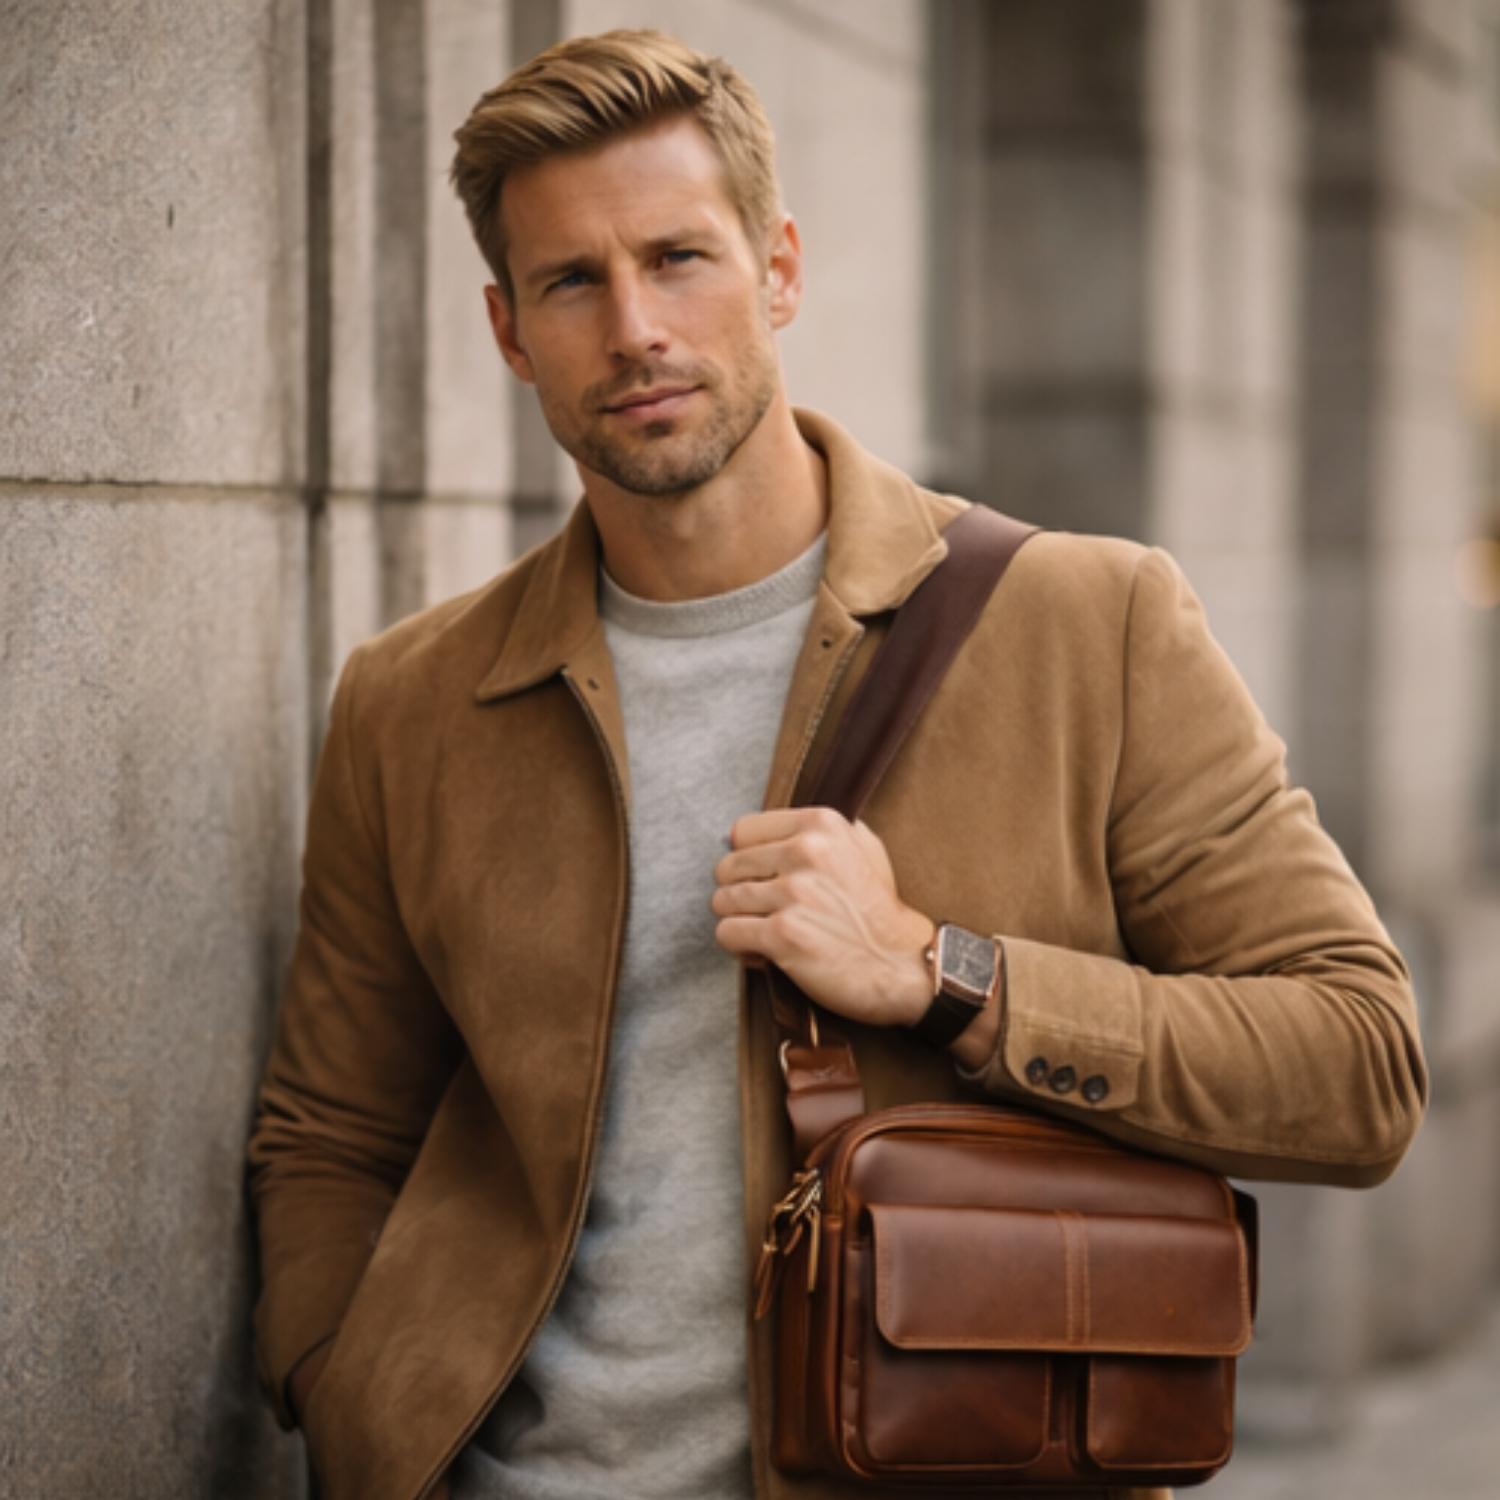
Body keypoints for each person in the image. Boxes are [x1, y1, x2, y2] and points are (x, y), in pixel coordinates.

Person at [247, 28, 1427, 1500]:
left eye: (680, 258)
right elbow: (331, 1129)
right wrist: (340, 1380)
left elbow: (1359, 1068)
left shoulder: (1088, 623)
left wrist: (947, 971)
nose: (634, 331)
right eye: (571, 282)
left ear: (780, 270)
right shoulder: (411, 703)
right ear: (507, 332)